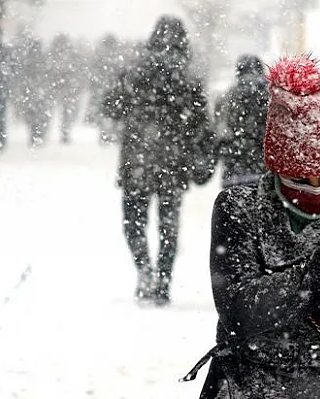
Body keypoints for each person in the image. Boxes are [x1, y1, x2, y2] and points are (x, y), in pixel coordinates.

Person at [181, 56, 320, 399]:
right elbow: (241, 312)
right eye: (300, 179)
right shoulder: (238, 209)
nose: (316, 188)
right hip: (244, 385)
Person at [103, 15, 214, 306]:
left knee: (134, 222)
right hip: (172, 163)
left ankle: (144, 270)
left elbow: (111, 107)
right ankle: (163, 281)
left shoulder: (134, 73)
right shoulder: (188, 80)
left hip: (137, 159)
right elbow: (201, 126)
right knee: (168, 225)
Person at [214, 54, 269, 188]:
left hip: (233, 174)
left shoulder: (226, 99)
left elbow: (219, 135)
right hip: (265, 176)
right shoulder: (271, 97)